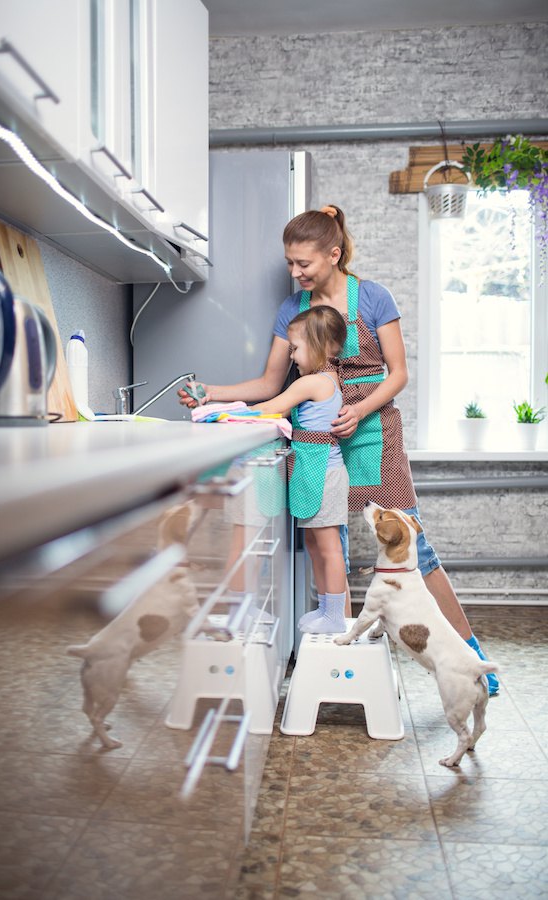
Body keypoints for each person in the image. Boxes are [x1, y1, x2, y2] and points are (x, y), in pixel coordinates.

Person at [179, 204, 499, 694]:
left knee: (416, 549)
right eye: (289, 262)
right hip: (321, 438)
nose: (294, 273)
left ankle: (470, 654)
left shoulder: (372, 297)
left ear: (333, 254)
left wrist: (361, 409)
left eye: (303, 263)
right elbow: (270, 382)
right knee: (333, 545)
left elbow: (398, 373)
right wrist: (210, 392)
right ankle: (338, 659)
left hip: (372, 431)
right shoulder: (292, 310)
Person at [251, 305, 349, 634]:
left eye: (296, 348)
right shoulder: (323, 380)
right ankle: (326, 609)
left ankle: (334, 615)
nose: (292, 356)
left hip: (325, 476)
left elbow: (272, 406)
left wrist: (228, 413)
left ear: (320, 344)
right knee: (315, 544)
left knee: (328, 545)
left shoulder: (313, 383)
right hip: (317, 474)